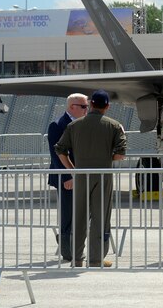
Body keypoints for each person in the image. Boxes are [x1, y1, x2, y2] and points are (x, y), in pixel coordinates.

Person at [54, 89, 127, 267]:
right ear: (107, 106)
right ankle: (96, 258)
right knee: (101, 217)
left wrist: (72, 169)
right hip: (103, 176)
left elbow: (60, 149)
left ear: (92, 104)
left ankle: (77, 258)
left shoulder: (74, 125)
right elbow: (120, 155)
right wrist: (104, 156)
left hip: (81, 175)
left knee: (79, 217)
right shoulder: (114, 126)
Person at [47, 93, 89, 262]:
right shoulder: (58, 125)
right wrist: (66, 177)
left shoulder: (83, 123)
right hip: (67, 177)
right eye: (84, 107)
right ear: (73, 107)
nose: (87, 110)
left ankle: (77, 246)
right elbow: (56, 154)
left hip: (80, 175)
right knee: (68, 214)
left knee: (82, 213)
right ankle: (67, 251)